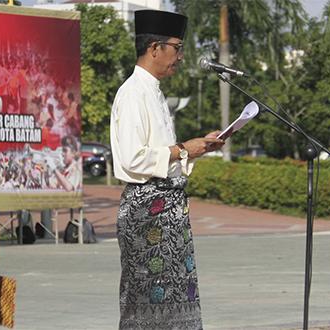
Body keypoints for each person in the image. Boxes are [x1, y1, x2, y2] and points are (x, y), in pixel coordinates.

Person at [109, 9, 223, 329]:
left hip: (168, 210)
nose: (181, 57)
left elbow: (165, 156)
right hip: (147, 211)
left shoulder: (154, 92)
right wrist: (184, 149)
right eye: (177, 47)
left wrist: (197, 148)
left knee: (176, 297)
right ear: (155, 48)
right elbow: (133, 159)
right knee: (147, 299)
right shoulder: (133, 93)